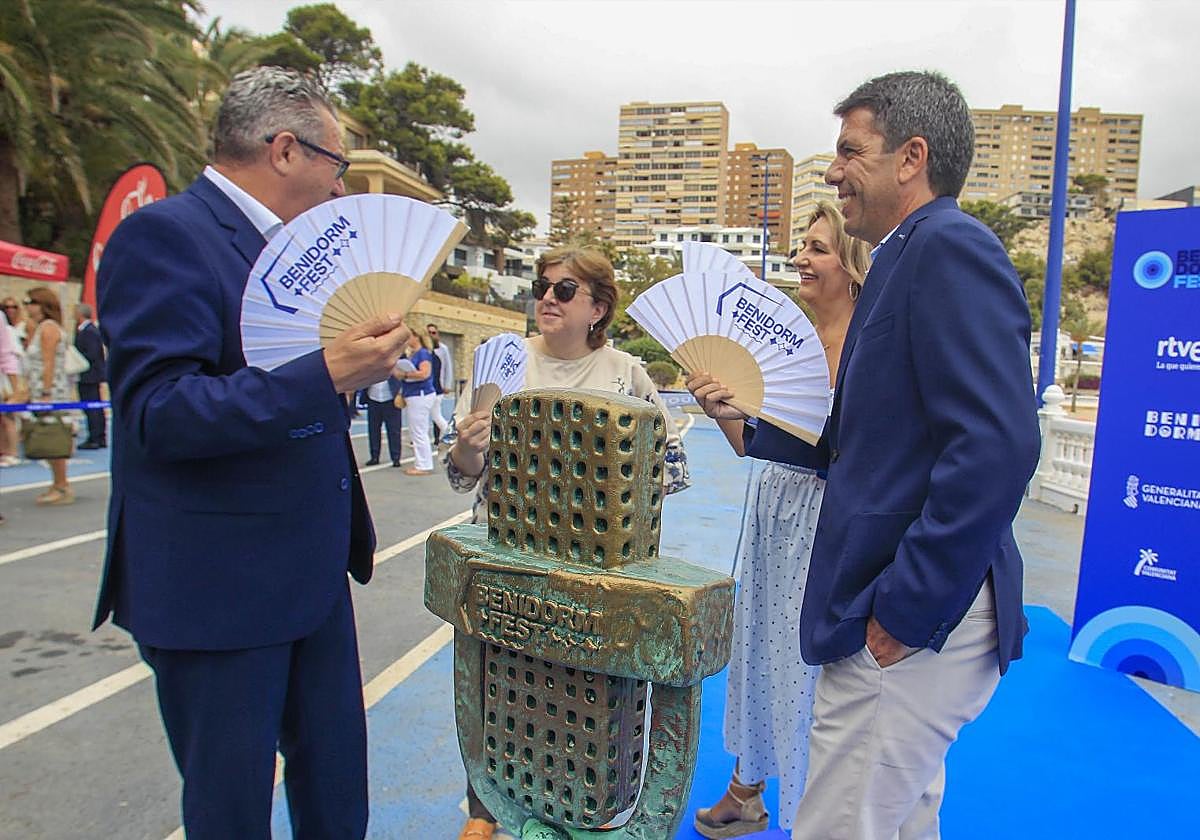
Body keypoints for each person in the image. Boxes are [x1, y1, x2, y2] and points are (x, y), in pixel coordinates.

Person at [693, 71, 1041, 840]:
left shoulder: (948, 248)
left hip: (911, 622)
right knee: (902, 822)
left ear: (911, 156)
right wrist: (747, 422)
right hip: (897, 616)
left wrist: (906, 610)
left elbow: (998, 445)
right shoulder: (902, 259)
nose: (831, 171)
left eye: (850, 152)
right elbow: (858, 437)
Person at [91, 66, 412, 840]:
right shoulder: (165, 236)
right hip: (218, 587)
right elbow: (158, 413)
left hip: (309, 574)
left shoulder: (295, 257)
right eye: (337, 166)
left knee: (336, 788)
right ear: (285, 151)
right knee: (230, 807)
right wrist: (326, 374)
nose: (341, 192)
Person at [445, 245, 690, 840]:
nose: (545, 299)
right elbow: (460, 476)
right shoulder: (500, 363)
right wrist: (472, 448)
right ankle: (484, 809)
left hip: (592, 571)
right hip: (505, 561)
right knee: (493, 680)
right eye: (541, 286)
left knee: (577, 694)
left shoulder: (625, 375)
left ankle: (582, 810)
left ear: (598, 307)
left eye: (563, 290)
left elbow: (672, 470)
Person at [689, 203, 870, 838]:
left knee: (809, 663)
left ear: (850, 263)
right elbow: (749, 442)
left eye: (818, 249)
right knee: (760, 643)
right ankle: (748, 788)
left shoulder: (868, 343)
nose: (801, 259)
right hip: (775, 507)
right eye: (802, 247)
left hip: (831, 514)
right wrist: (718, 409)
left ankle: (806, 811)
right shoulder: (780, 341)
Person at [23, 287, 74, 505]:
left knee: (53, 437)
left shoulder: (48, 328)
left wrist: (45, 392)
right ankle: (57, 483)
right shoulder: (39, 328)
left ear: (42, 304)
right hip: (43, 390)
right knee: (47, 436)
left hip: (51, 392)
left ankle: (62, 485)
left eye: (30, 302)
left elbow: (48, 361)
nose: (27, 307)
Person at [395, 331, 439, 476]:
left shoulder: (422, 354)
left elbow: (424, 373)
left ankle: (423, 465)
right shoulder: (414, 354)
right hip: (415, 394)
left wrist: (405, 374)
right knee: (418, 430)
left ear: (416, 337)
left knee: (418, 431)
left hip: (419, 395)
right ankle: (422, 463)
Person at [73, 303, 107, 449]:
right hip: (88, 375)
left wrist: (75, 358)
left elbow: (93, 354)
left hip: (90, 375)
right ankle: (96, 436)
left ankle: (96, 437)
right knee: (91, 407)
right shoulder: (84, 331)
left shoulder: (90, 331)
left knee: (93, 407)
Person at [363, 364, 403, 467]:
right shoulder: (370, 364)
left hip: (390, 399)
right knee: (373, 430)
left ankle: (396, 457)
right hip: (373, 399)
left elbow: (402, 378)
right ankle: (374, 456)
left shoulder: (396, 361)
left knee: (394, 430)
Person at [426, 322, 452, 441]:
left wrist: (447, 384)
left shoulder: (443, 349)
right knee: (430, 414)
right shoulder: (424, 350)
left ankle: (441, 435)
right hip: (425, 387)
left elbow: (447, 367)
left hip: (437, 386)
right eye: (429, 333)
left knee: (436, 414)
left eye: (433, 332)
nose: (431, 335)